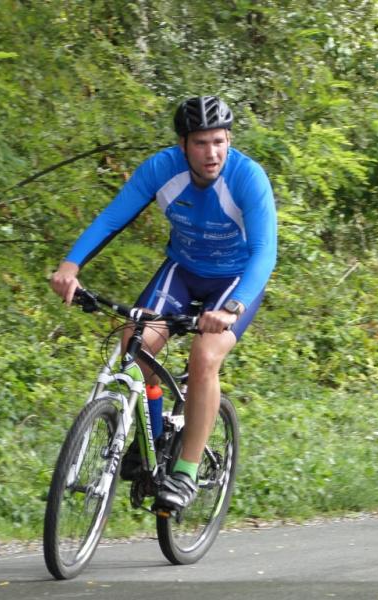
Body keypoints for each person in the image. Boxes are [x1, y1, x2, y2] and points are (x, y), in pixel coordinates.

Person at [49, 96, 277, 511]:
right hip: (183, 271)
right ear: (182, 145)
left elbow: (265, 251)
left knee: (204, 356)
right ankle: (149, 440)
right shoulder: (161, 169)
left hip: (235, 281)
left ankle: (186, 471)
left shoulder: (247, 177)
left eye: (219, 141)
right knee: (135, 344)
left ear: (229, 140)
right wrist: (70, 265)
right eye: (201, 143)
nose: (212, 153)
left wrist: (233, 308)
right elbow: (112, 218)